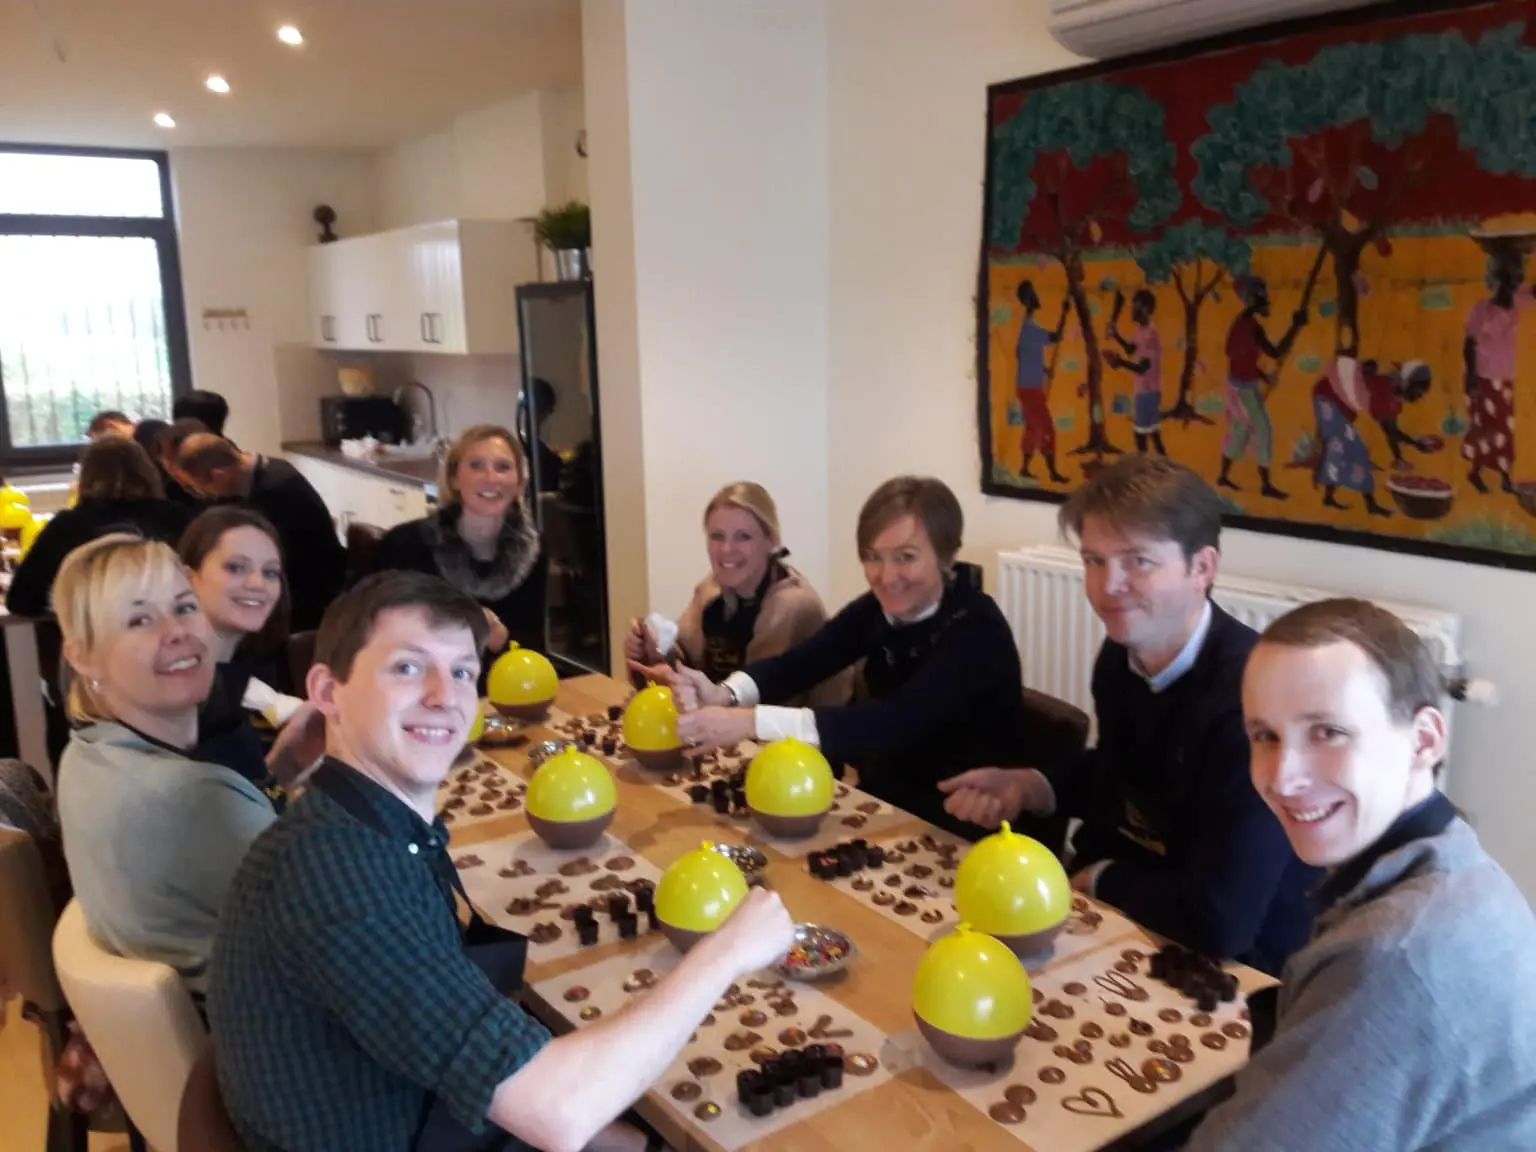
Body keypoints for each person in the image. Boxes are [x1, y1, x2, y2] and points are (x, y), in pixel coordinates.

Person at [209, 571, 794, 1152]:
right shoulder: (338, 877)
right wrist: (726, 951)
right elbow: (558, 1114)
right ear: (327, 690)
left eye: (462, 672)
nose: (444, 696)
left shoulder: (363, 824)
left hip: (422, 1106)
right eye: (407, 667)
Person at [940, 455, 1315, 973]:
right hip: (1138, 911)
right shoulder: (1121, 656)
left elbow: (1222, 922)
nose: (1108, 585)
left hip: (1239, 964)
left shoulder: (1255, 703)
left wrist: (1101, 878)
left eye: (1138, 561)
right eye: (1094, 560)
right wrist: (1031, 785)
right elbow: (1130, 773)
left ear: (1201, 568)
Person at [1186, 599, 1536, 1150]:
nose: (1284, 778)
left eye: (1328, 732)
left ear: (1423, 740)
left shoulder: (1398, 956)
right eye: (1265, 736)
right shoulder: (1455, 863)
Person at [667, 477, 1039, 839]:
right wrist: (725, 694)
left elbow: (891, 723)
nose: (886, 576)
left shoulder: (976, 630)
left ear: (946, 556)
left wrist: (749, 722)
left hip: (961, 828)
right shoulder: (880, 608)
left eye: (906, 557)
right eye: (873, 557)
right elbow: (802, 662)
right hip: (886, 806)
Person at [52, 535, 319, 993]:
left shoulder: (86, 754)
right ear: (83, 656)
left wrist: (283, 769)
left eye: (184, 606)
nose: (176, 630)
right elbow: (349, 924)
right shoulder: (195, 797)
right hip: (279, 1024)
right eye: (139, 619)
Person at [626, 482, 846, 704]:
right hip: (720, 719)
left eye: (743, 537)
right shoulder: (711, 589)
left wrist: (688, 689)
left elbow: (757, 704)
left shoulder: (793, 606)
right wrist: (651, 652)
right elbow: (684, 659)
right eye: (717, 536)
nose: (726, 549)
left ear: (771, 541)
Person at [371, 424, 548, 658]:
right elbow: (361, 631)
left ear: (518, 483)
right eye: (476, 466)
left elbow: (534, 648)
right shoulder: (405, 545)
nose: (491, 478)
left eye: (503, 467)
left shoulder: (533, 551)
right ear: (454, 479)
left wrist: (501, 637)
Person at [180, 506, 303, 802]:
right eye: (236, 568)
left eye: (270, 573)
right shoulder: (181, 690)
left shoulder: (249, 672)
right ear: (188, 578)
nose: (258, 584)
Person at [174, 433, 345, 632]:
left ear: (220, 475)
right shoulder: (261, 475)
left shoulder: (278, 491)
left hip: (308, 594)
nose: (208, 495)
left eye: (204, 488)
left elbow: (280, 559)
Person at [7, 437, 191, 618]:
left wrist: (73, 611)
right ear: (148, 472)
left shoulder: (68, 525)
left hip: (94, 629)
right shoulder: (176, 517)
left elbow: (21, 601)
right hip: (169, 622)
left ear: (86, 476)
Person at [1216, 276, 1306, 499]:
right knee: (1263, 430)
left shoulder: (1240, 324)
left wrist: (1262, 376)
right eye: (1262, 295)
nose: (1267, 300)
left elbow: (1239, 357)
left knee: (1240, 431)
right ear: (1251, 299)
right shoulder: (1252, 328)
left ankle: (1223, 476)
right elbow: (1276, 352)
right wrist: (1295, 326)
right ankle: (1265, 485)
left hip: (1235, 387)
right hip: (1244, 391)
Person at [1462, 245, 1530, 496]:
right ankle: (1476, 472)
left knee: (1504, 429)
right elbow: (1468, 344)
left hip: (1505, 378)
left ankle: (1504, 476)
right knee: (1483, 427)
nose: (1507, 285)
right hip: (1482, 378)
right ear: (1494, 280)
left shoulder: (1519, 302)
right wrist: (1470, 376)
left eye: (1512, 279)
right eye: (1502, 278)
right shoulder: (1480, 309)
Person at [1014, 280, 1069, 485]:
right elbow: (1056, 336)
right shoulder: (1030, 329)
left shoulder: (1026, 328)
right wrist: (1064, 314)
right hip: (1030, 389)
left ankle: (1024, 468)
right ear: (1028, 300)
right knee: (1046, 428)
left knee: (1031, 429)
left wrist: (1043, 370)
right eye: (1033, 294)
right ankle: (1052, 472)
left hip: (1027, 386)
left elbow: (1023, 356)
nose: (1037, 297)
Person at [1106, 289, 1167, 456]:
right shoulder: (1141, 330)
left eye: (1135, 306)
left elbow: (1142, 368)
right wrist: (1116, 335)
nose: (1132, 310)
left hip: (1148, 392)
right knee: (1152, 435)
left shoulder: (1151, 335)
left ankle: (1148, 466)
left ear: (1145, 309)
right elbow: (1131, 349)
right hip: (1145, 391)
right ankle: (1163, 465)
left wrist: (1120, 363)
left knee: (1141, 436)